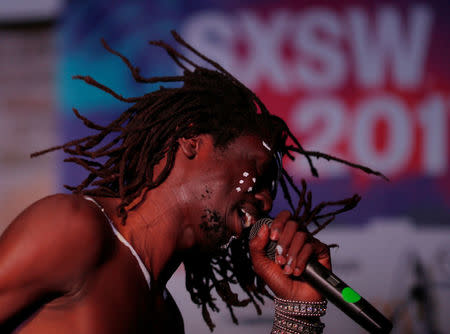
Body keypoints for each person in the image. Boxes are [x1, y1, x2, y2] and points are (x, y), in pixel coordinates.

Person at [0, 31, 385, 334]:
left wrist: (297, 315)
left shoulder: (167, 319)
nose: (266, 200)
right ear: (190, 140)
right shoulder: (76, 229)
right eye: (257, 171)